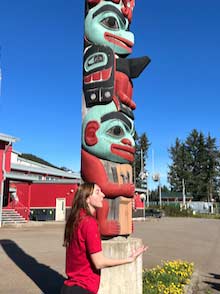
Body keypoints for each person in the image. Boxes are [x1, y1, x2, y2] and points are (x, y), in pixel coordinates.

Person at [61, 182, 148, 294]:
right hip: (82, 287)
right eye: (97, 192)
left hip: (69, 287)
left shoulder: (76, 219)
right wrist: (129, 259)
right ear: (87, 199)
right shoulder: (89, 223)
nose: (103, 195)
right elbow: (99, 262)